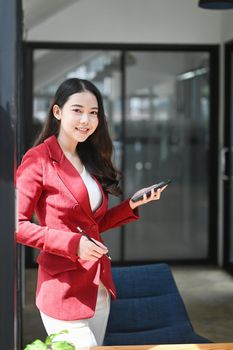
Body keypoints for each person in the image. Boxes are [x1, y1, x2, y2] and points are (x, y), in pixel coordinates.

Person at [16, 78, 167, 349]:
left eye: (93, 112)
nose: (86, 119)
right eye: (77, 110)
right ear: (57, 112)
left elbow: (91, 225)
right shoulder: (37, 159)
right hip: (62, 289)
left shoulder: (88, 158)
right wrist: (74, 244)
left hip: (98, 286)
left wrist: (131, 205)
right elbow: (14, 225)